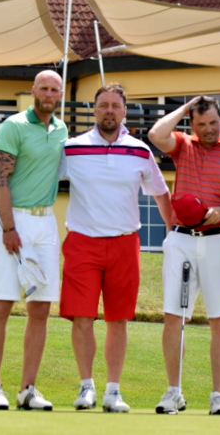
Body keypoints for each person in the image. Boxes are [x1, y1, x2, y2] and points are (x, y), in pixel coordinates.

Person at [58, 82, 171, 413]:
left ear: (124, 111)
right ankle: (86, 387)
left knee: (118, 319)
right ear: (94, 109)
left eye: (115, 106)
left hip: (124, 243)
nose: (109, 111)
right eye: (103, 105)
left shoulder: (140, 151)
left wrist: (173, 231)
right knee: (82, 317)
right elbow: (40, 177)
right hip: (82, 242)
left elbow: (161, 193)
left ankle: (113, 391)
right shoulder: (71, 148)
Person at [147, 95, 220, 416]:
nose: (209, 129)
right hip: (182, 240)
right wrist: (187, 107)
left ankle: (218, 396)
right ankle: (174, 391)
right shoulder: (184, 145)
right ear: (192, 124)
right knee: (174, 316)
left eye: (213, 122)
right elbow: (156, 134)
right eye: (201, 124)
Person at [0, 70, 68, 411]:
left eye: (54, 89)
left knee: (41, 307)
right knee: (3, 302)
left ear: (60, 94)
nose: (48, 93)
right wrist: (8, 228)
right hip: (12, 220)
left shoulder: (61, 131)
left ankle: (27, 390)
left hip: (46, 222)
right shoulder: (13, 126)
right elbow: (0, 180)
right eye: (43, 88)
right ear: (33, 91)